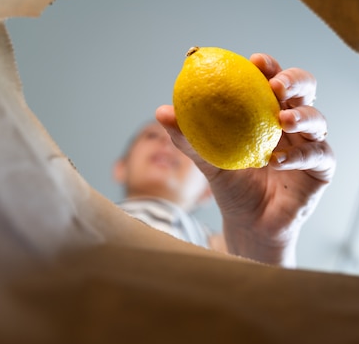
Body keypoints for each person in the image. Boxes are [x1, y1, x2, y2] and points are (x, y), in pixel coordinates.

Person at [113, 53, 335, 268]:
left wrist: (267, 240)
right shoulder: (86, 211)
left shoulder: (219, 249)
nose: (165, 143)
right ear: (120, 168)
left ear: (206, 191)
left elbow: (272, 302)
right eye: (151, 136)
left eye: (181, 143)